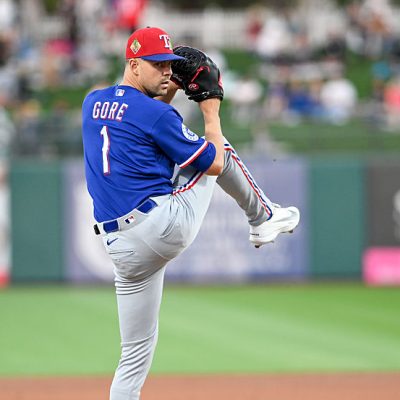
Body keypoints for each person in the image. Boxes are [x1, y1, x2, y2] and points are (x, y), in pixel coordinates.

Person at [81, 26, 300, 400]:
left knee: (133, 355)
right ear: (134, 64)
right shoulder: (155, 115)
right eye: (157, 64)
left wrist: (165, 91)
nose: (167, 71)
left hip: (120, 247)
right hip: (160, 227)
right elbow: (211, 164)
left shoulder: (92, 102)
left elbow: (137, 120)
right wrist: (209, 108)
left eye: (169, 64)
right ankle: (262, 218)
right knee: (218, 146)